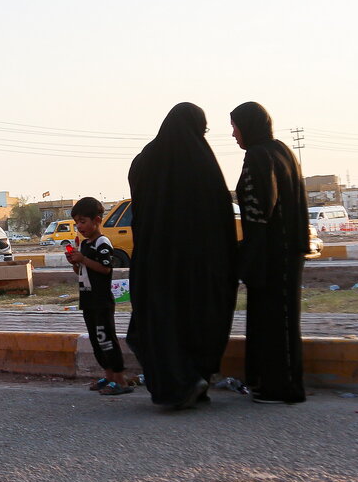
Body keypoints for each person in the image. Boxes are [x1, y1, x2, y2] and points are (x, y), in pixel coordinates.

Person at [127, 102, 237, 410]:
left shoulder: (144, 161)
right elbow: (220, 217)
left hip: (156, 263)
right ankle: (193, 379)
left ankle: (178, 383)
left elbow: (141, 215)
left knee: (156, 324)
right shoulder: (203, 163)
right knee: (198, 320)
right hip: (200, 265)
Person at [231, 101, 308, 404]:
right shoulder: (281, 150)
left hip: (273, 253)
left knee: (274, 320)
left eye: (236, 125)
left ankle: (281, 387)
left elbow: (260, 210)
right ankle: (276, 383)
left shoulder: (258, 155)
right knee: (281, 319)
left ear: (249, 126)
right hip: (286, 251)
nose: (233, 133)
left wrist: (247, 256)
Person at [66, 197, 133, 395]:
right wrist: (75, 262)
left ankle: (120, 380)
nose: (79, 226)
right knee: (97, 341)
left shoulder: (102, 243)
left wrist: (83, 259)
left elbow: (105, 269)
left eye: (83, 221)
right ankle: (109, 375)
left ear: (97, 220)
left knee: (106, 339)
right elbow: (81, 272)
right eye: (76, 222)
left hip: (101, 300)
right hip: (88, 299)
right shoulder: (86, 244)